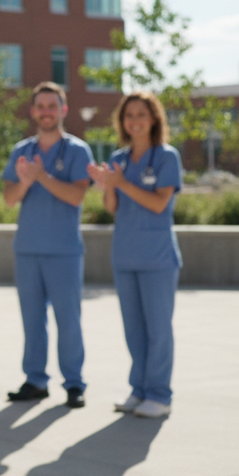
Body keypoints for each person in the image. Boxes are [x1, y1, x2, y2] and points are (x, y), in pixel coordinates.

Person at [87, 91, 182, 419]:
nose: (135, 121)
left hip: (157, 259)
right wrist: (109, 185)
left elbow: (158, 203)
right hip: (125, 256)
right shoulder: (119, 159)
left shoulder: (167, 157)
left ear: (154, 118)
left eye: (141, 114)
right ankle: (139, 390)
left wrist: (122, 182)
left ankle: (159, 394)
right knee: (134, 330)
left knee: (158, 330)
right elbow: (111, 207)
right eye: (129, 115)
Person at [1, 82, 95, 409]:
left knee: (68, 321)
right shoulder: (21, 151)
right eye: (40, 106)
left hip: (64, 251)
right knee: (32, 321)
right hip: (28, 249)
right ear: (33, 111)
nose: (46, 112)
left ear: (63, 110)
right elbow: (9, 198)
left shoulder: (78, 150)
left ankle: (74, 383)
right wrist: (26, 181)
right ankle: (35, 380)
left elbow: (77, 196)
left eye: (52, 106)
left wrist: (41, 176)